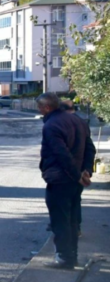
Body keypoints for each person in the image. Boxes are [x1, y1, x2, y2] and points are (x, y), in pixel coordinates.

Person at [37, 93, 94, 269]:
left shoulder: (51, 125)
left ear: (47, 108)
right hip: (75, 179)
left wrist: (78, 174)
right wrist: (86, 171)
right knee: (72, 220)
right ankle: (72, 256)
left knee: (60, 220)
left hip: (61, 178)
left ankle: (64, 258)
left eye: (39, 108)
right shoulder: (78, 121)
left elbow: (61, 154)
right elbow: (89, 148)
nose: (39, 111)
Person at [58, 99, 97, 238]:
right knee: (74, 199)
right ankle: (75, 228)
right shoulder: (82, 123)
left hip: (65, 171)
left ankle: (67, 231)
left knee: (63, 201)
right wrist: (87, 169)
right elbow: (89, 148)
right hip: (79, 170)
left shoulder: (60, 123)